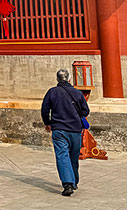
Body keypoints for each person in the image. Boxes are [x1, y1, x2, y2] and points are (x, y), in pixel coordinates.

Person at [41, 69, 90, 197]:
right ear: (69, 79)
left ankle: (68, 183)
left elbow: (45, 109)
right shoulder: (77, 93)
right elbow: (85, 111)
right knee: (73, 156)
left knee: (62, 155)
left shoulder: (52, 92)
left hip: (59, 129)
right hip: (75, 129)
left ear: (57, 79)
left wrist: (47, 123)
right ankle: (74, 181)